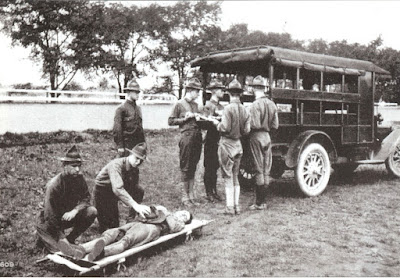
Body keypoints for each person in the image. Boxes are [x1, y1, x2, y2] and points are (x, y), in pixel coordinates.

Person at [59, 206, 193, 261]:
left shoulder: (178, 223)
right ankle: (81, 249)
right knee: (114, 233)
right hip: (141, 222)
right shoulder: (165, 211)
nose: (182, 216)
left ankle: (100, 253)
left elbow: (174, 227)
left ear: (185, 221)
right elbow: (150, 209)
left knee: (126, 241)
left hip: (153, 229)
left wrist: (167, 213)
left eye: (185, 217)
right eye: (182, 213)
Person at [35, 146, 97, 253]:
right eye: (73, 166)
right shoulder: (54, 185)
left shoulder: (79, 178)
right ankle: (44, 241)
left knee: (92, 211)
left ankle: (70, 239)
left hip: (65, 217)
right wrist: (61, 237)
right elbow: (50, 216)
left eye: (79, 166)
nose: (77, 169)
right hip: (48, 222)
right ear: (65, 166)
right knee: (62, 252)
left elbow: (86, 198)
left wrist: (75, 210)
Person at [211, 79, 251, 215]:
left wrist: (216, 123)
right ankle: (236, 206)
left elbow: (224, 127)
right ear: (240, 94)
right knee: (235, 176)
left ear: (229, 93)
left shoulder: (228, 108)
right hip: (238, 145)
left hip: (227, 145)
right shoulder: (245, 110)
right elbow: (247, 131)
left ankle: (229, 207)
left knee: (227, 176)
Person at [93, 142, 151, 232]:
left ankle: (130, 220)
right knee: (110, 228)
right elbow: (117, 189)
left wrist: (129, 202)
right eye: (137, 158)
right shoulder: (116, 165)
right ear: (131, 155)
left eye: (141, 160)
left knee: (139, 190)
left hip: (115, 191)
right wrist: (135, 205)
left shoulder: (135, 169)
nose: (138, 162)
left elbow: (133, 186)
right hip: (103, 192)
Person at [168, 78, 203, 206]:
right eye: (197, 91)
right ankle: (185, 197)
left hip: (197, 137)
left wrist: (199, 118)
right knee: (186, 166)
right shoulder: (179, 104)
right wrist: (184, 118)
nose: (198, 94)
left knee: (193, 166)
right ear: (190, 90)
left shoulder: (195, 105)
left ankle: (192, 195)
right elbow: (171, 121)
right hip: (186, 137)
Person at [248, 75, 279, 210]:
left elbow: (254, 124)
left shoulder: (255, 105)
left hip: (256, 136)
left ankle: (258, 203)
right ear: (264, 89)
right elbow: (275, 125)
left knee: (258, 168)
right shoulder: (272, 104)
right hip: (267, 137)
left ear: (255, 89)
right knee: (266, 169)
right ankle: (264, 201)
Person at [202, 79, 225, 203]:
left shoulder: (221, 106)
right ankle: (208, 192)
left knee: (215, 166)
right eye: (221, 89)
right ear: (215, 91)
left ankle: (214, 190)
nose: (223, 92)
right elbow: (205, 123)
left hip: (218, 139)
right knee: (209, 166)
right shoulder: (208, 105)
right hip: (210, 139)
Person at [113, 79, 145, 158]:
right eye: (135, 92)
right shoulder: (121, 108)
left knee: (134, 167)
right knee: (124, 166)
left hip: (137, 143)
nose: (137, 94)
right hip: (126, 144)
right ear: (129, 92)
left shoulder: (138, 108)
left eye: (138, 92)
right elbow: (117, 129)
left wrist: (143, 143)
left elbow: (140, 127)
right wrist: (120, 146)